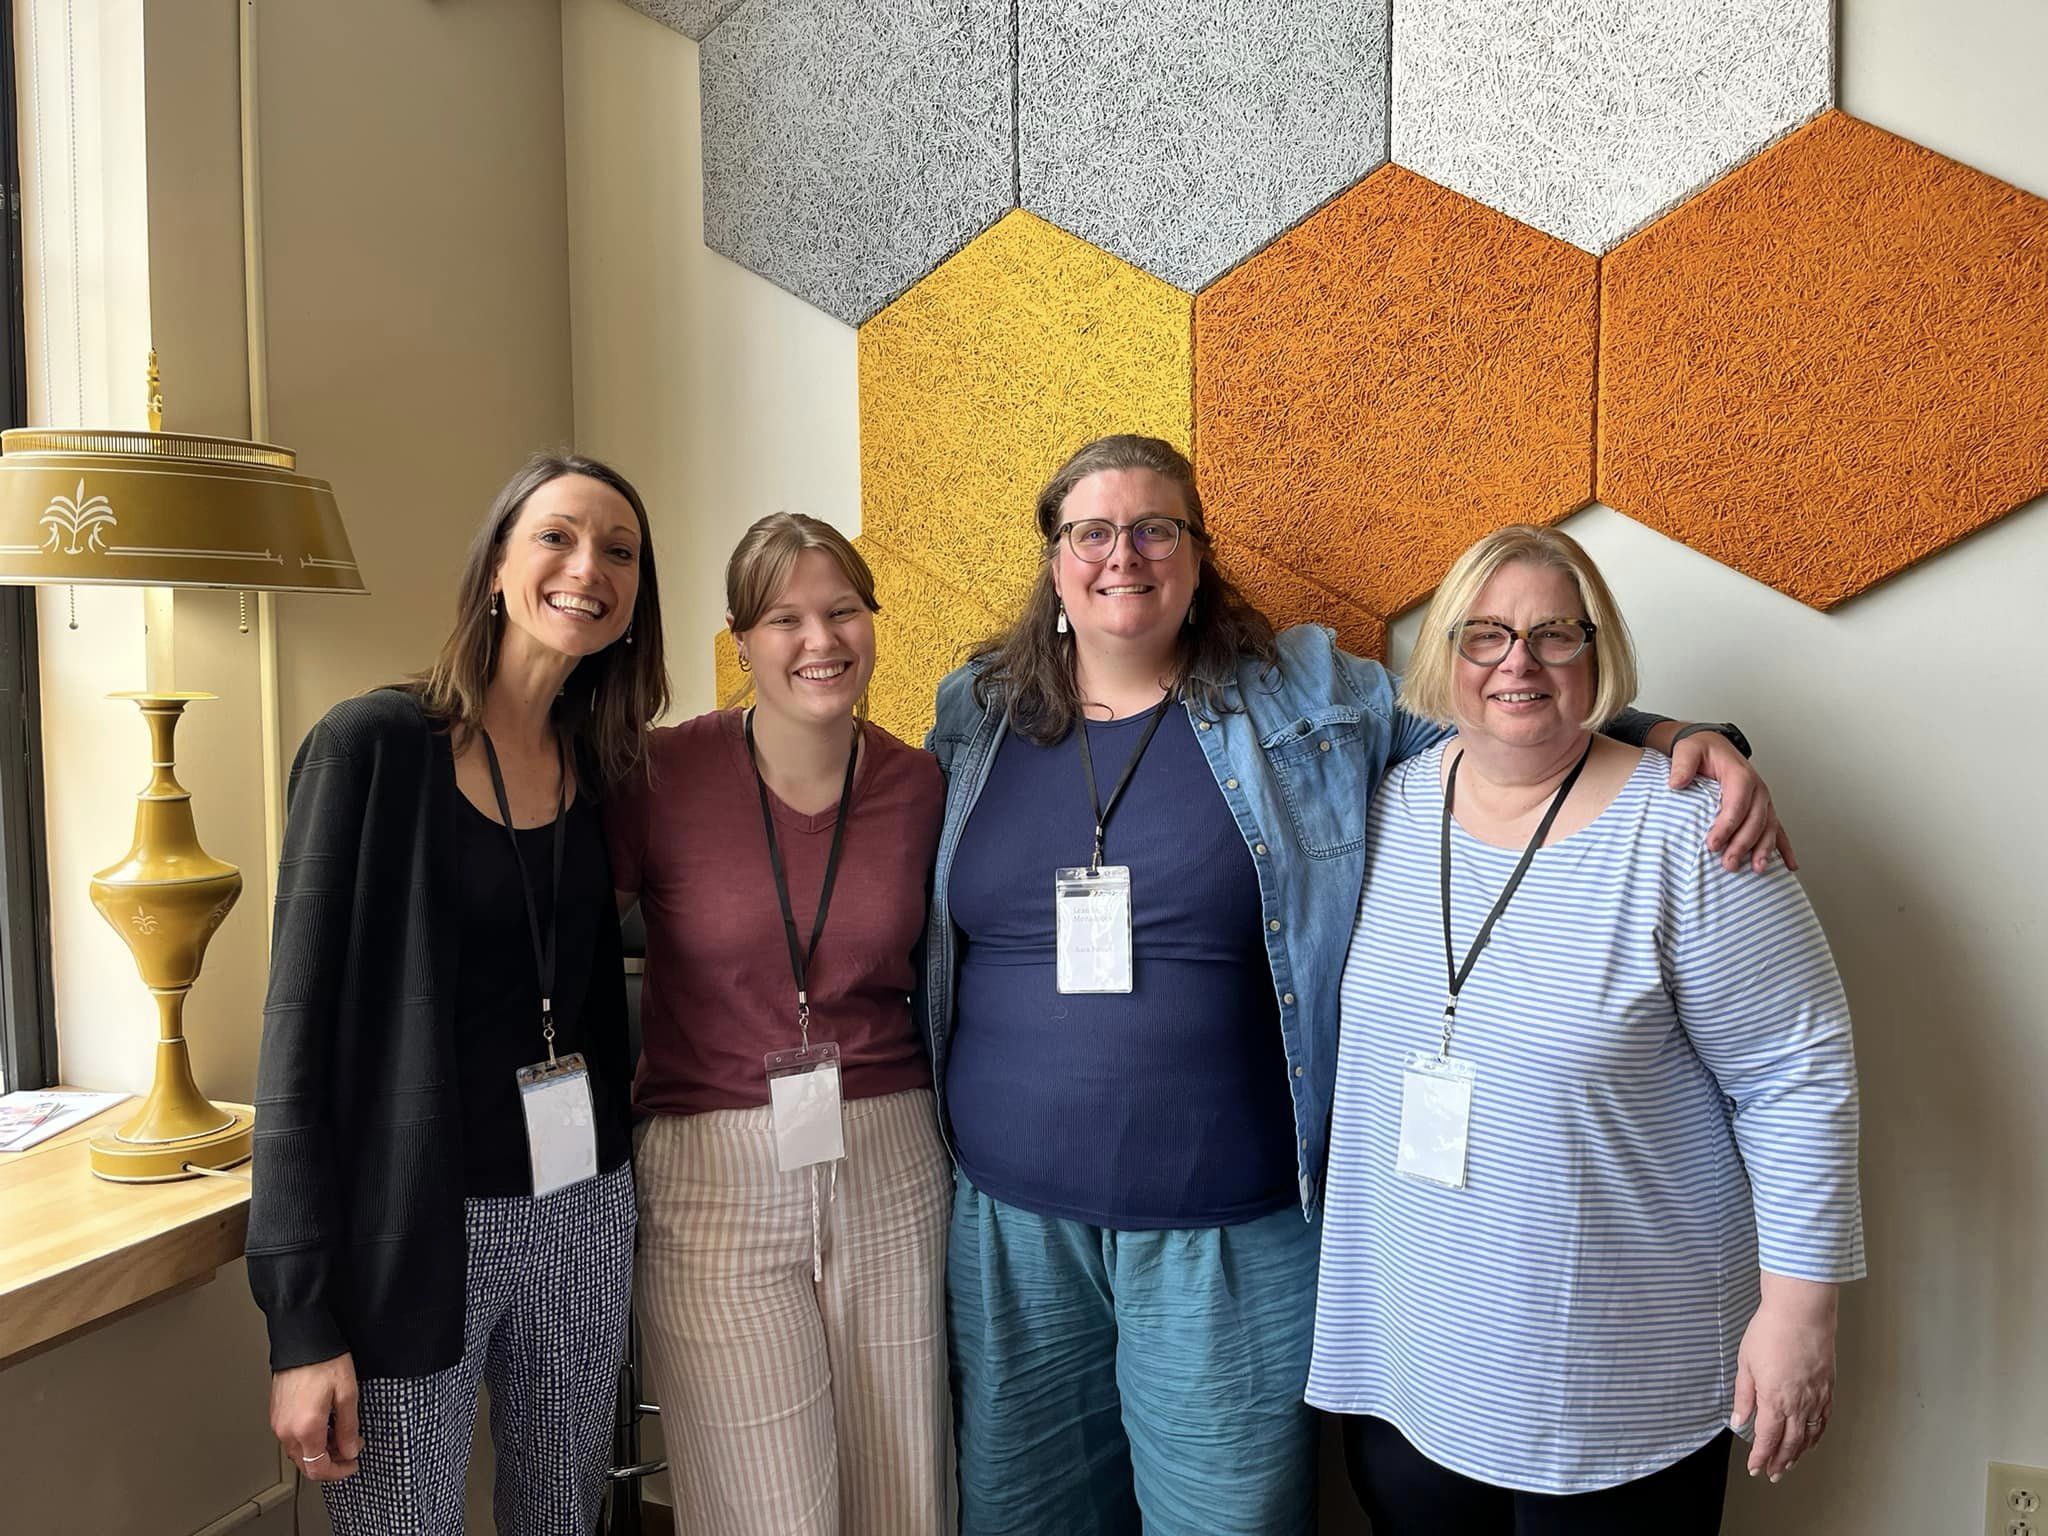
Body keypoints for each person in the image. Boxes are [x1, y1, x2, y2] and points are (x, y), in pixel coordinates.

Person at [920, 434, 1787, 1536]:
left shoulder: (1304, 698)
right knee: (1021, 1517)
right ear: (1053, 564)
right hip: (1007, 1229)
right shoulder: (976, 715)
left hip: (1226, 1229)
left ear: (1196, 555)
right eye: (1091, 531)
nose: (1121, 555)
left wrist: (1670, 733)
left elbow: (1494, 716)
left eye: (1154, 528)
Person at [1306, 524, 1863, 1534]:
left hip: (1614, 1371)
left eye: (1553, 635)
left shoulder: (1690, 827)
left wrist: (1798, 1315)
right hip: (1409, 1352)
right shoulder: (1378, 810)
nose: (1517, 662)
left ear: (1597, 657)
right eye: (1484, 635)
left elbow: (1795, 1073)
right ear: (1443, 656)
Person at [248, 453, 669, 1534]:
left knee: (562, 1515)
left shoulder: (602, 772)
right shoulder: (370, 751)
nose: (589, 568)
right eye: (557, 538)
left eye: (618, 553)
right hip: (417, 1224)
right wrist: (300, 1324)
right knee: (403, 1520)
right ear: (493, 566)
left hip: (581, 1206)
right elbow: (294, 1040)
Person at [609, 513, 953, 1535]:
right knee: (763, 1507)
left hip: (890, 1157)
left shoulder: (920, 784)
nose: (820, 642)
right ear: (741, 639)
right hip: (712, 1168)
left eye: (843, 611)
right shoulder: (659, 776)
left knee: (903, 1489)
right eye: (785, 619)